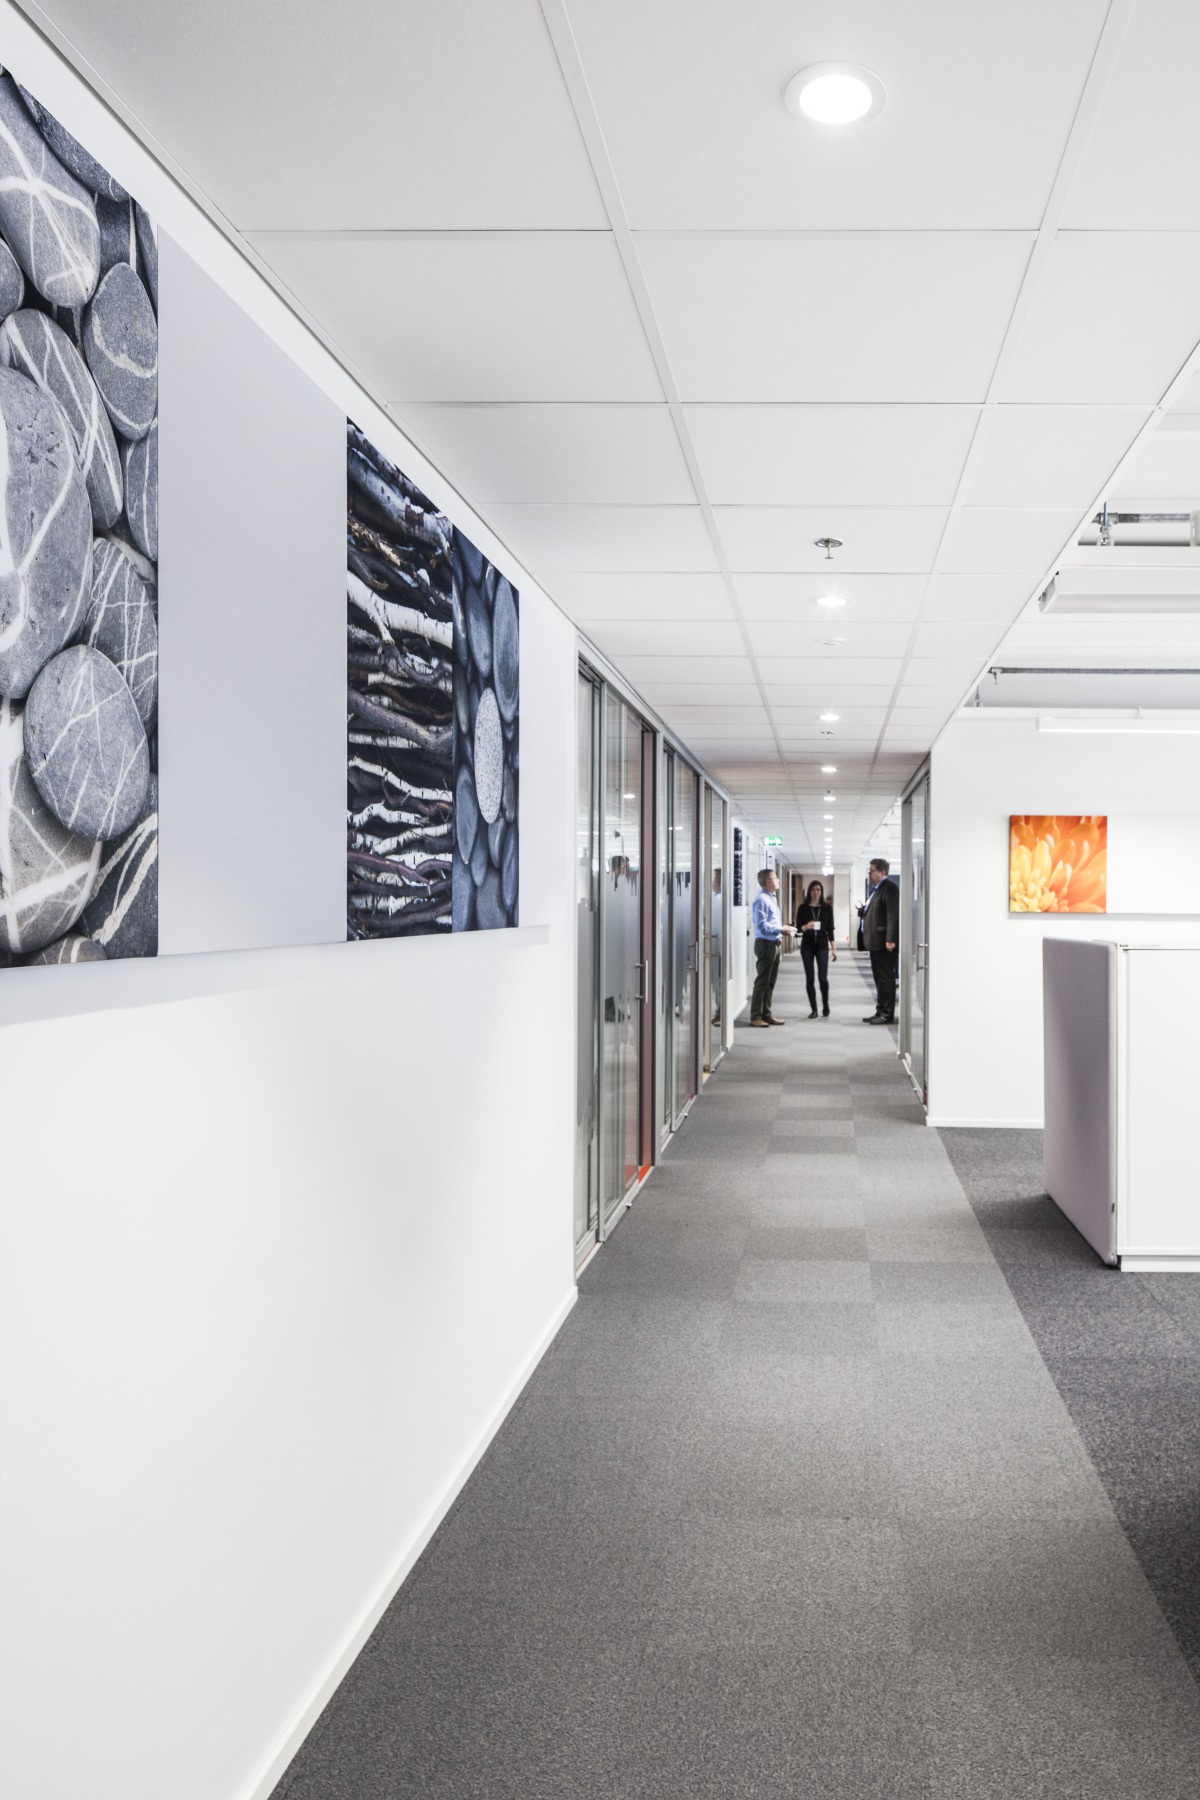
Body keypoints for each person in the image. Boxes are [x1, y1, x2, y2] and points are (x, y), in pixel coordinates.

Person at [861, 857, 900, 1024]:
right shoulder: (876, 889)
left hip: (885, 942)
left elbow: (893, 915)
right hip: (875, 942)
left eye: (872, 871)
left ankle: (887, 1013)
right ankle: (880, 1010)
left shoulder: (889, 888)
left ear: (882, 872)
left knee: (885, 979)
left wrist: (890, 938)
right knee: (878, 978)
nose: (869, 874)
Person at [749, 868, 785, 1027]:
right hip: (765, 945)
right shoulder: (761, 900)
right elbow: (762, 926)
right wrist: (780, 930)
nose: (778, 880)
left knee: (770, 982)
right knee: (762, 982)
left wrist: (781, 931)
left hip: (774, 944)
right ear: (768, 882)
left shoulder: (771, 898)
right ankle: (755, 1016)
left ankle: (766, 1014)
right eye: (775, 878)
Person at [795, 878, 836, 1019]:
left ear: (821, 891)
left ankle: (825, 1004)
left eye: (818, 890)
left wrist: (834, 948)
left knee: (823, 978)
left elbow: (830, 930)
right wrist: (805, 927)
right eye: (813, 890)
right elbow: (798, 928)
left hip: (822, 946)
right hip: (807, 946)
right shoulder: (803, 908)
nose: (816, 892)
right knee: (810, 979)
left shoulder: (827, 908)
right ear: (809, 892)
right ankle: (814, 1009)